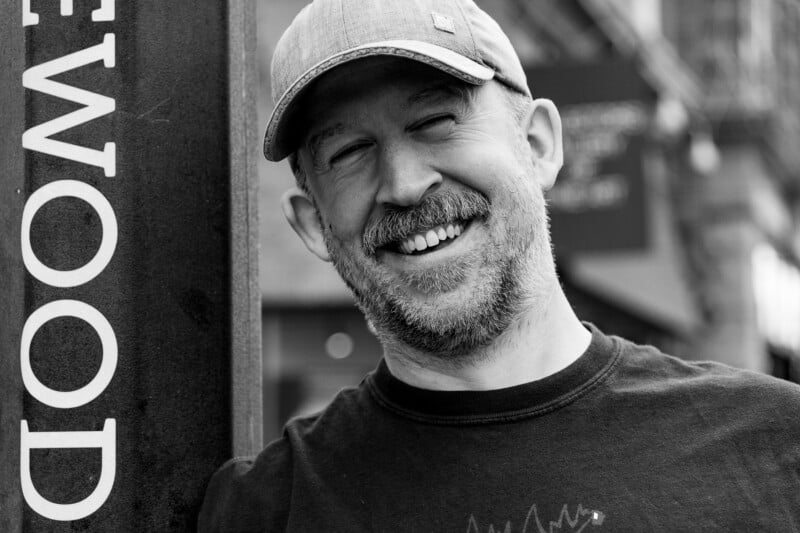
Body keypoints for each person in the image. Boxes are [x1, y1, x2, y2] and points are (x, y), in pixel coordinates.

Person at [199, 0, 800, 530]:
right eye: (350, 152)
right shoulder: (262, 510)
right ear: (312, 225)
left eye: (435, 121)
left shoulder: (774, 446)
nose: (404, 185)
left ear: (539, 144)